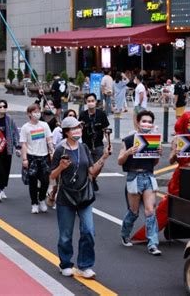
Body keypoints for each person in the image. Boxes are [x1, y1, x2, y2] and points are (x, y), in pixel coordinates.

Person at [50, 117, 111, 279]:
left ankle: (85, 265)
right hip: (65, 197)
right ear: (66, 132)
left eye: (79, 128)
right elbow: (52, 175)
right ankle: (65, 263)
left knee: (89, 231)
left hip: (84, 196)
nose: (78, 131)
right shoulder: (60, 150)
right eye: (73, 129)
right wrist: (61, 167)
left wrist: (103, 158)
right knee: (65, 234)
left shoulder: (83, 148)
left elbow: (91, 172)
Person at [132, 112, 190, 241]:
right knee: (168, 206)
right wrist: (175, 154)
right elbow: (171, 160)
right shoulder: (177, 139)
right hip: (182, 176)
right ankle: (148, 234)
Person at [118, 110, 163, 256]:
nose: (147, 124)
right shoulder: (129, 139)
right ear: (138, 123)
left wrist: (158, 153)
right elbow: (120, 161)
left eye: (150, 122)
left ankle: (153, 243)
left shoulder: (154, 140)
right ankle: (125, 233)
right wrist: (128, 152)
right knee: (134, 211)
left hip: (149, 176)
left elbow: (154, 162)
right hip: (134, 176)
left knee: (150, 210)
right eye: (144, 121)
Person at [20, 103, 54, 214]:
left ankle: (41, 199)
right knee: (33, 182)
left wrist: (51, 150)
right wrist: (25, 159)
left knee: (45, 181)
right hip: (31, 157)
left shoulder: (44, 125)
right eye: (34, 111)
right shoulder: (26, 127)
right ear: (29, 114)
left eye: (38, 111)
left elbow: (49, 139)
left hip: (44, 156)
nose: (37, 113)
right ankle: (34, 203)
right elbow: (24, 144)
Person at [79, 93, 110, 192]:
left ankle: (92, 179)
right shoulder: (83, 115)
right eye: (89, 101)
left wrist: (109, 144)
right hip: (86, 145)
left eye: (92, 101)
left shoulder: (101, 114)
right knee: (87, 165)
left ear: (96, 102)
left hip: (98, 144)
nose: (91, 103)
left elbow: (106, 130)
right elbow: (78, 130)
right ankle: (90, 181)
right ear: (86, 103)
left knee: (100, 165)